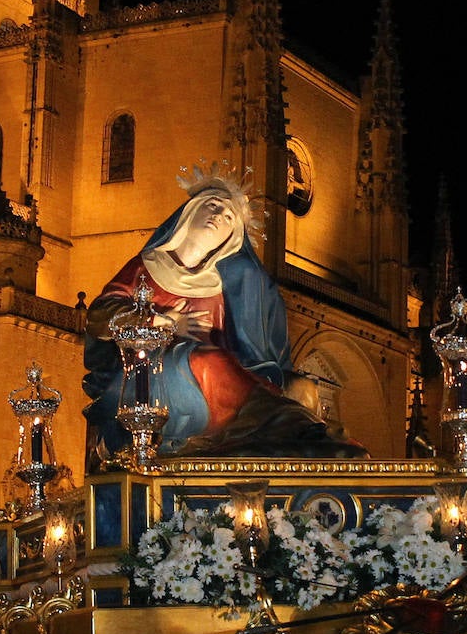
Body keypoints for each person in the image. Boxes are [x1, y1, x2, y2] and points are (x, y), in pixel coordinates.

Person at [82, 166, 366, 462]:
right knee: (204, 358)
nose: (218, 216)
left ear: (231, 238)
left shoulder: (220, 284)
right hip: (148, 379)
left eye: (229, 217)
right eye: (212, 206)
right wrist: (160, 321)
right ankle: (287, 425)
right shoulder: (149, 266)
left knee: (300, 388)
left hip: (213, 378)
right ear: (190, 213)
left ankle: (290, 434)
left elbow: (239, 349)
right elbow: (100, 316)